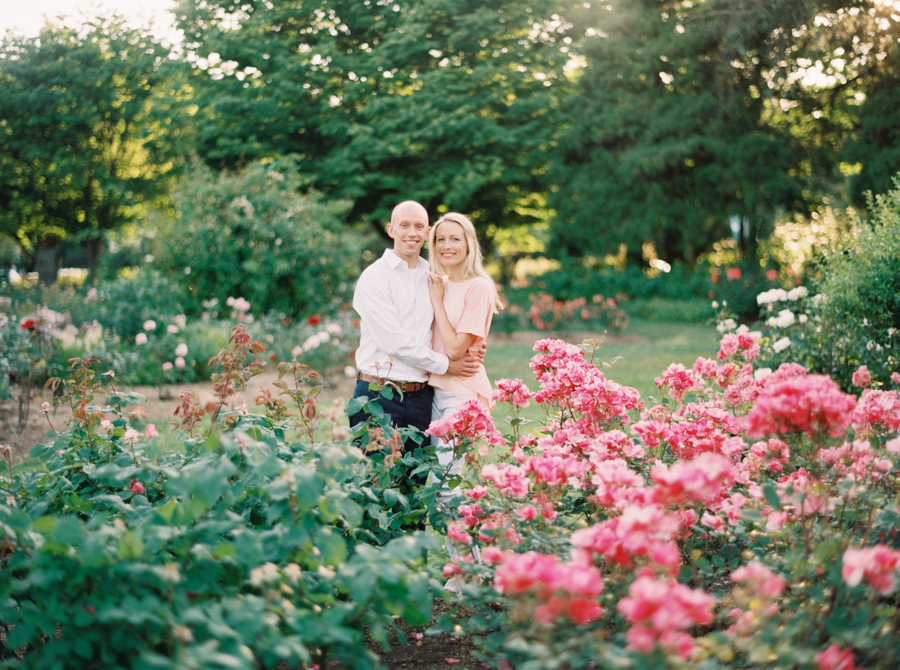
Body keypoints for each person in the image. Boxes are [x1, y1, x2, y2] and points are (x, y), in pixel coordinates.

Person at [348, 201, 483, 451]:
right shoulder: (376, 277)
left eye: (419, 226)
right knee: (376, 482)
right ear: (391, 230)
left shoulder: (432, 278)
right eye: (404, 225)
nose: (412, 233)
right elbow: (394, 343)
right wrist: (448, 365)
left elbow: (445, 325)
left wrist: (472, 347)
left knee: (417, 485)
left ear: (427, 232)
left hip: (422, 399)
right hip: (379, 395)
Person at [426, 212, 503, 585]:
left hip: (461, 395)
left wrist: (438, 301)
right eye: (441, 239)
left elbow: (458, 347)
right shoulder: (433, 281)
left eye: (455, 238)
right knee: (442, 486)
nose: (447, 246)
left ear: (470, 243)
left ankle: (469, 573)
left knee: (447, 486)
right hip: (430, 392)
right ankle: (472, 566)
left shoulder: (478, 287)